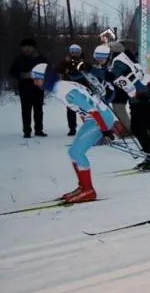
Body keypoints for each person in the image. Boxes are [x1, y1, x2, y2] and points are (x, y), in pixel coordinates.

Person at [30, 63, 118, 203]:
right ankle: (83, 187)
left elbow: (92, 109)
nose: (34, 82)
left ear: (45, 78)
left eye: (36, 79)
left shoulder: (65, 91)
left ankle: (88, 190)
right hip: (93, 120)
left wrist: (105, 130)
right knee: (73, 153)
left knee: (77, 153)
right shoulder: (60, 87)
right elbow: (84, 108)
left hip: (100, 118)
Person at [107, 41, 150, 170]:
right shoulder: (129, 57)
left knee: (139, 128)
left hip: (140, 97)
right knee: (140, 128)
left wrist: (108, 77)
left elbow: (118, 77)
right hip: (140, 96)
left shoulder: (119, 61)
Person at [9, 38, 48, 138]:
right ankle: (27, 131)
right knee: (26, 110)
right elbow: (12, 72)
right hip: (24, 88)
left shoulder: (41, 59)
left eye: (28, 47)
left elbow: (48, 72)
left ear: (34, 48)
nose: (26, 49)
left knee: (38, 110)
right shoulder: (19, 59)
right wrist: (24, 75)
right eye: (24, 47)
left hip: (38, 88)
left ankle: (38, 130)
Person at [57, 44, 91, 136]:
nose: (75, 54)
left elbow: (89, 71)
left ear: (80, 52)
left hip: (83, 88)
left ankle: (88, 126)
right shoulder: (66, 62)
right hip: (69, 88)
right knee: (71, 109)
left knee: (84, 109)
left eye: (77, 52)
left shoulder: (84, 62)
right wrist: (65, 62)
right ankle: (72, 128)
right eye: (73, 52)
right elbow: (58, 69)